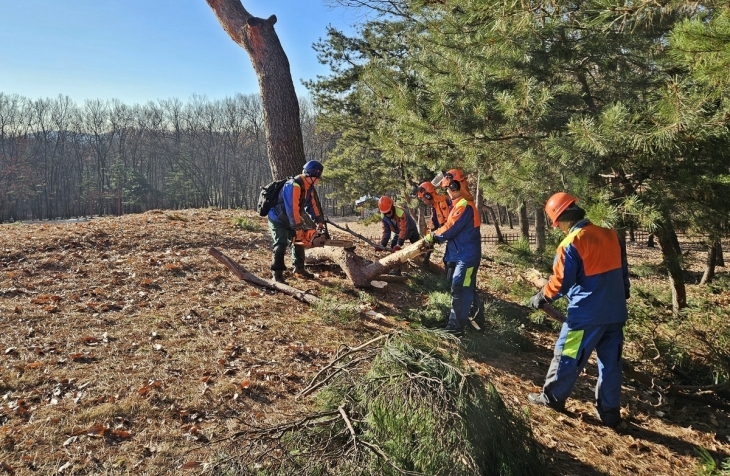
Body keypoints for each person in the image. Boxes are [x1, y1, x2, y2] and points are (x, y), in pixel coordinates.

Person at [527, 192, 630, 428]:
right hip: (615, 315)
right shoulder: (611, 235)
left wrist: (541, 296)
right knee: (611, 364)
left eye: (557, 224)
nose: (558, 228)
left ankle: (552, 399)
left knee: (568, 354)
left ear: (560, 219)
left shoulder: (571, 243)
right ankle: (610, 413)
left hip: (584, 317)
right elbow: (624, 276)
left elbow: (560, 283)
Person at [424, 169, 483, 336]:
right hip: (458, 253)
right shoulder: (457, 204)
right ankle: (476, 321)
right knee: (463, 287)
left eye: (448, 188)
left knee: (461, 287)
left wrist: (434, 236)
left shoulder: (464, 205)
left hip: (467, 256)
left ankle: (455, 328)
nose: (447, 191)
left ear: (455, 185)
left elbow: (450, 229)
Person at [267, 160, 325, 283]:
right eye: (317, 178)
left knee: (300, 241)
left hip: (290, 218)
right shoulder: (293, 185)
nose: (318, 180)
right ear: (311, 175)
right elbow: (292, 208)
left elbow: (312, 205)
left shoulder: (309, 187)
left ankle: (299, 268)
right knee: (280, 243)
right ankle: (277, 275)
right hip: (277, 218)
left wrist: (319, 221)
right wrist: (297, 228)